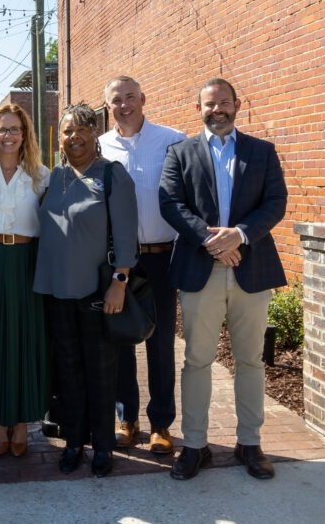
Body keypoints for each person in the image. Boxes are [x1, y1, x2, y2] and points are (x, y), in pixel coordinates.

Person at [159, 77, 288, 481]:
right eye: (209, 104)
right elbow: (170, 202)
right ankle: (195, 445)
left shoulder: (262, 152)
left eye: (224, 103)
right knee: (197, 360)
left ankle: (249, 442)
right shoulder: (179, 152)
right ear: (198, 108)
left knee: (250, 360)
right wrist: (213, 241)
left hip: (251, 268)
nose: (217, 110)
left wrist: (241, 234)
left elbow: (276, 201)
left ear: (237, 105)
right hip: (202, 269)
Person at [34, 102, 138, 478]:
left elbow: (126, 234)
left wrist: (119, 282)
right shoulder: (54, 176)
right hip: (56, 290)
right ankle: (74, 442)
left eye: (82, 129)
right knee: (68, 371)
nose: (73, 137)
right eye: (66, 131)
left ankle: (103, 446)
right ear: (58, 137)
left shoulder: (112, 175)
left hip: (98, 292)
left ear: (96, 134)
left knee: (100, 371)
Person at [98, 76, 185, 455]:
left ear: (143, 99)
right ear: (108, 107)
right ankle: (126, 419)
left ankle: (161, 424)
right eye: (117, 100)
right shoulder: (99, 147)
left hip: (162, 255)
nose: (125, 105)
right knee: (121, 340)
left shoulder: (172, 140)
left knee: (161, 344)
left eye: (131, 97)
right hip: (119, 261)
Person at [0, 104, 50, 458]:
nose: (8, 135)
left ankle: (22, 424)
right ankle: (0, 424)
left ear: (25, 134)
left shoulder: (41, 174)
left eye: (15, 129)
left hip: (26, 260)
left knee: (24, 338)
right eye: (2, 129)